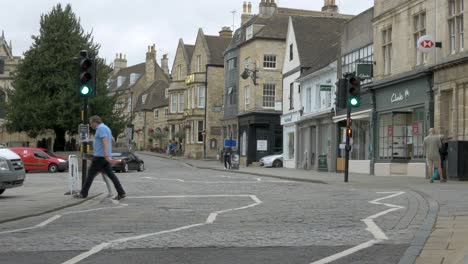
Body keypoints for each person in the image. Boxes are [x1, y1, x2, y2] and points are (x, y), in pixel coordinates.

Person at [74, 115, 126, 200]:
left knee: (90, 175)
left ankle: (83, 194)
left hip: (100, 157)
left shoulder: (100, 128)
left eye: (91, 123)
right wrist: (107, 154)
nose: (90, 125)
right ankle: (121, 192)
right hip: (104, 157)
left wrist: (105, 154)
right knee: (112, 176)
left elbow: (105, 140)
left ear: (95, 122)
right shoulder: (106, 128)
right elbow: (112, 139)